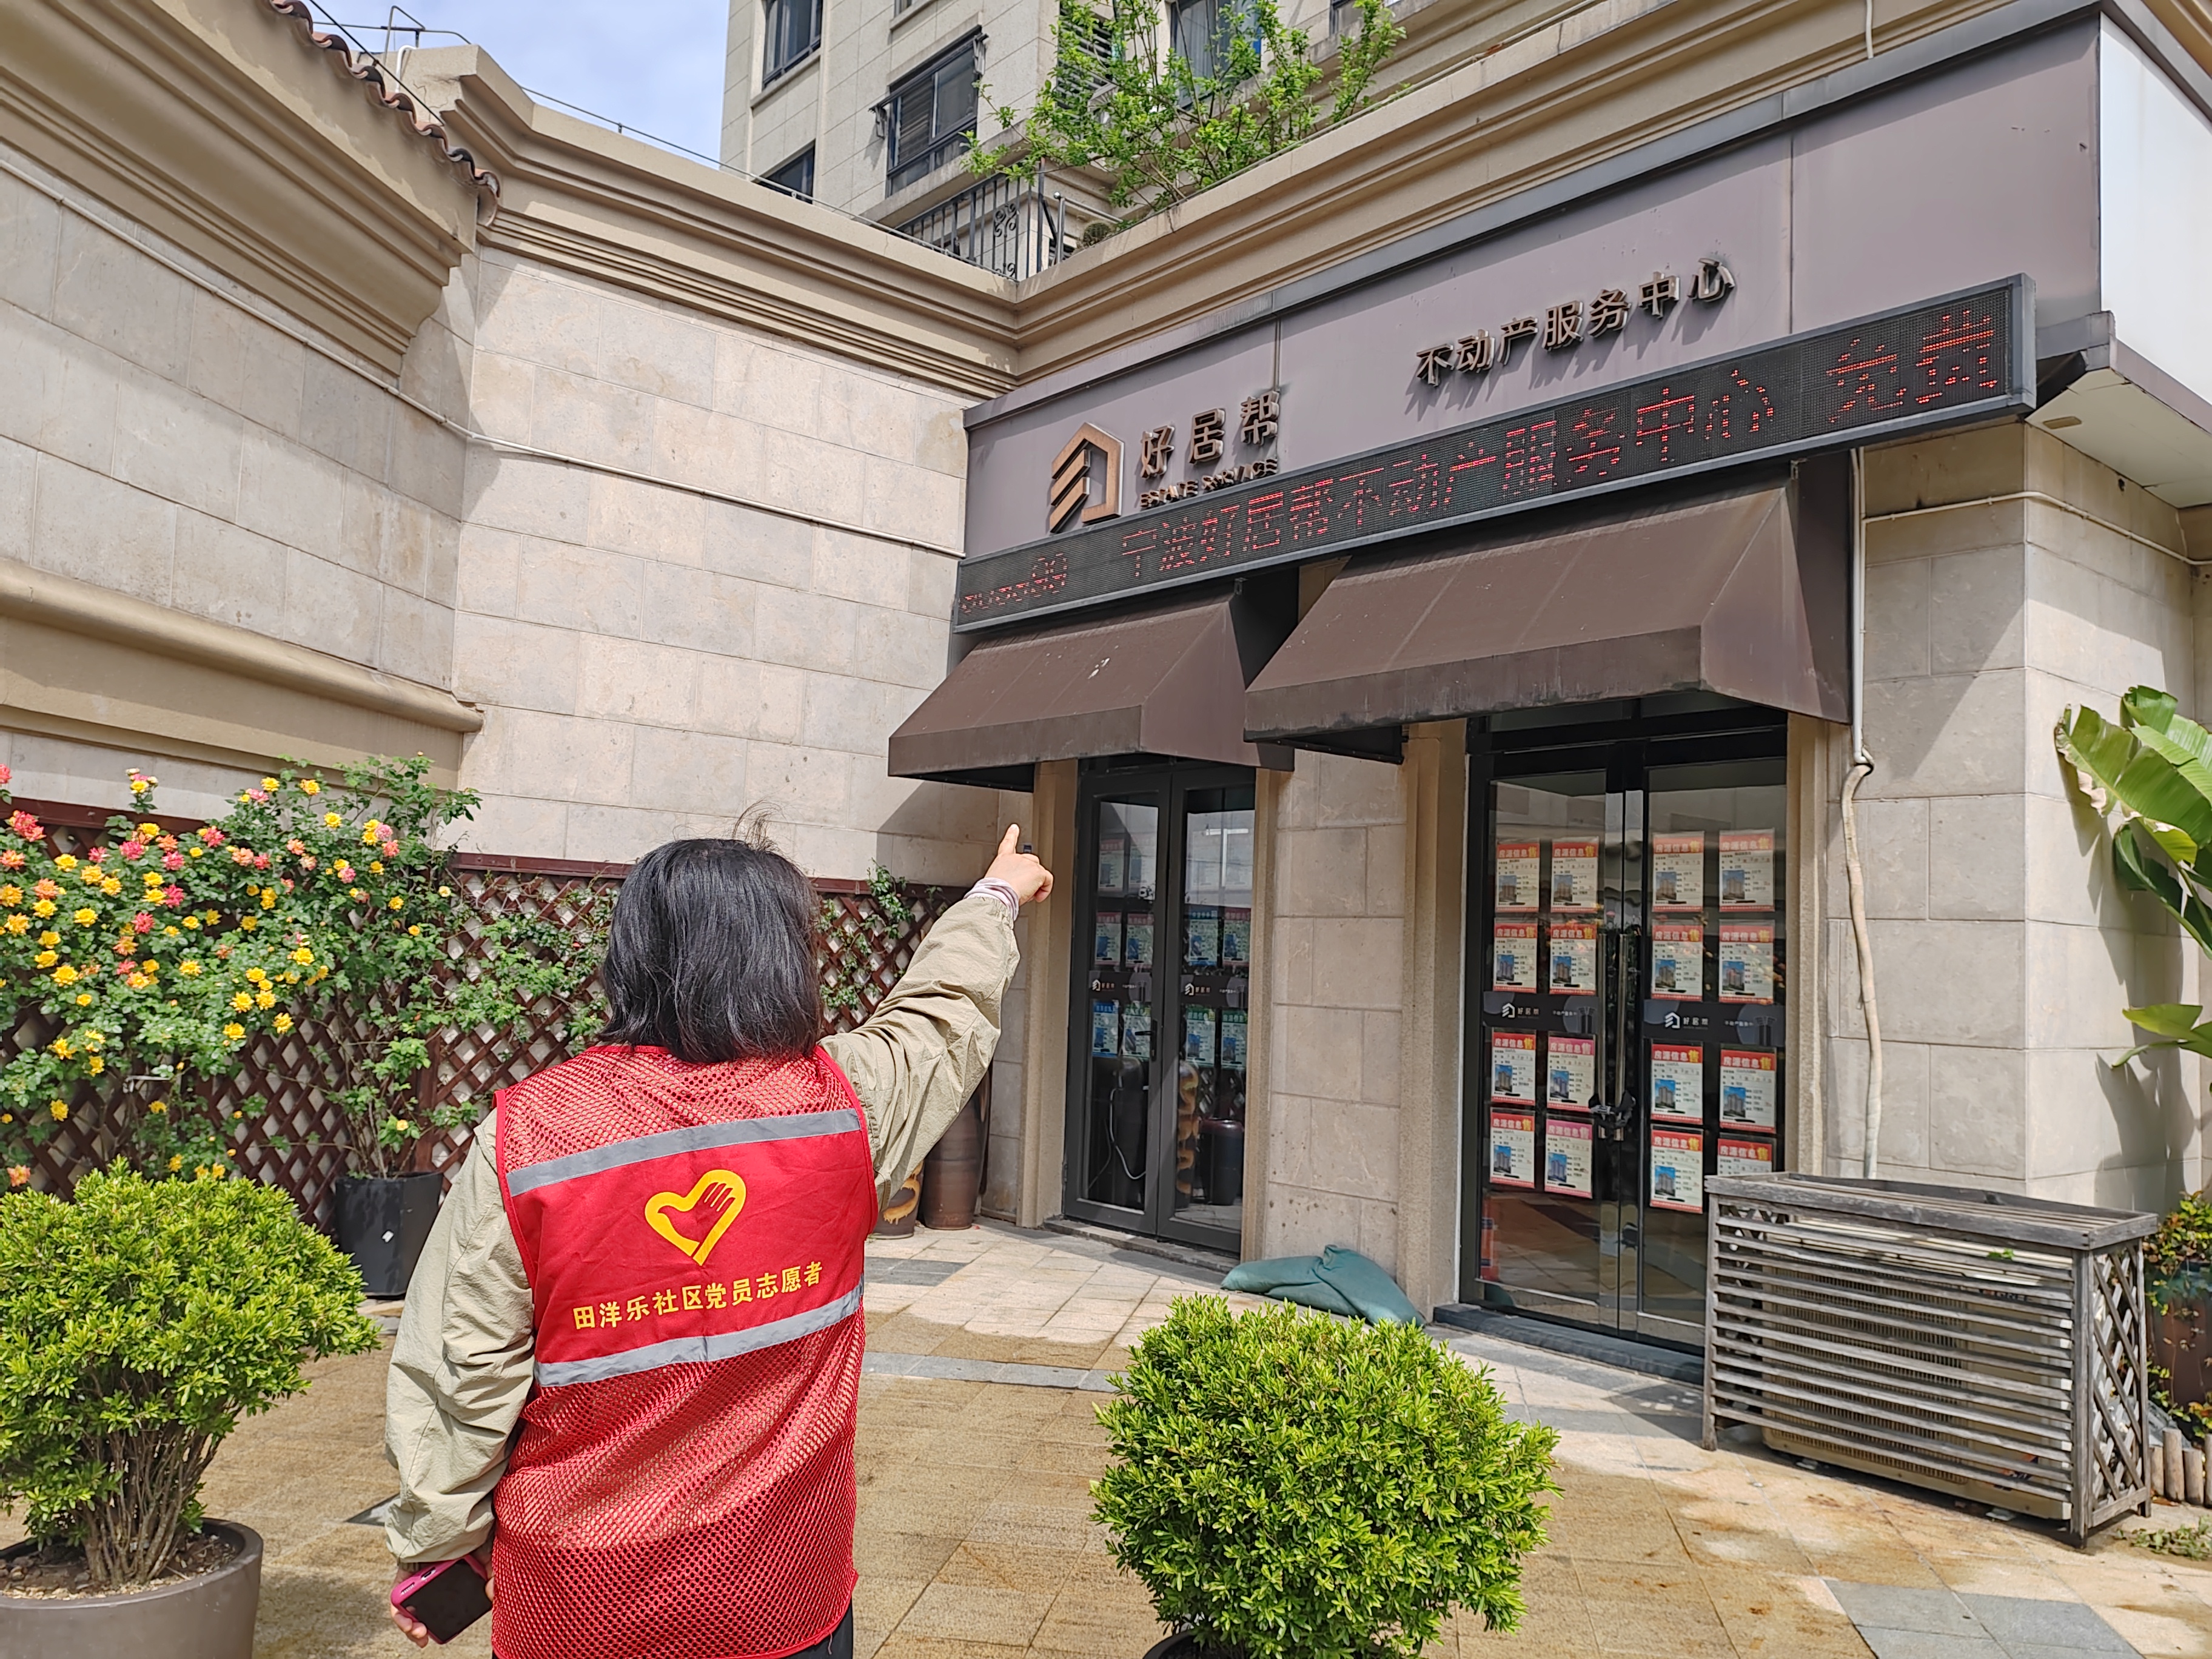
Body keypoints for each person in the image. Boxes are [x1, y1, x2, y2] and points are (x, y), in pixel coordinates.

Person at [383, 824, 1051, 1657]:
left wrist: (438, 1545)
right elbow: (941, 1017)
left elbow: (462, 1367)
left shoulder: (531, 1136)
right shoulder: (847, 1107)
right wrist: (995, 896)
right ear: (786, 959)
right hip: (781, 1592)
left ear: (633, 955)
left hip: (581, 1603)